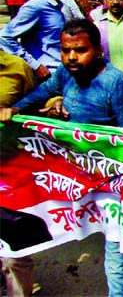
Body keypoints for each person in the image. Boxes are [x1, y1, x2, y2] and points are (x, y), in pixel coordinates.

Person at [1, 19, 123, 297]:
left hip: (111, 183)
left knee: (116, 254)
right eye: (65, 50)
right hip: (73, 179)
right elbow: (44, 91)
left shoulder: (116, 84)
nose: (71, 57)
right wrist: (14, 109)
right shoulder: (66, 74)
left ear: (97, 51)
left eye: (80, 50)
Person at [0, 50, 35, 297]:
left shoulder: (17, 67)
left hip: (10, 175)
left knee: (14, 255)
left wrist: (15, 109)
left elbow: (37, 101)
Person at [0, 0, 66, 80]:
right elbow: (4, 37)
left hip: (64, 72)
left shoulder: (59, 6)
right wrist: (36, 66)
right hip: (49, 75)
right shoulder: (35, 7)